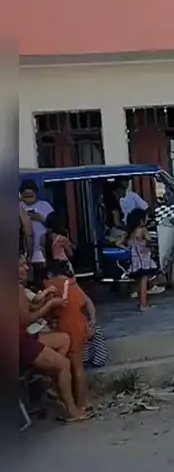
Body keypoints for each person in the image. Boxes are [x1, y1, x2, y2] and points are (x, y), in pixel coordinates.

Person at [18, 255, 91, 423]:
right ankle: (71, 411)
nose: (26, 268)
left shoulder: (20, 288)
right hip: (19, 341)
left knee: (63, 339)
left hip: (23, 336)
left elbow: (32, 307)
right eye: (21, 265)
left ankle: (55, 385)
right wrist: (51, 305)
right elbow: (27, 320)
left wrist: (45, 299)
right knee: (64, 364)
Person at [44, 263, 97, 414]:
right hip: (80, 325)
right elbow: (87, 302)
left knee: (75, 367)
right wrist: (92, 321)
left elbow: (48, 312)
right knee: (77, 366)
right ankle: (83, 400)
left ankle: (81, 402)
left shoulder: (52, 286)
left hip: (68, 327)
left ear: (49, 275)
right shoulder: (72, 283)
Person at [19, 180, 54, 289]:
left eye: (31, 196)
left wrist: (40, 218)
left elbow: (53, 224)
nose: (28, 199)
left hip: (42, 248)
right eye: (25, 196)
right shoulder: (19, 206)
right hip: (25, 251)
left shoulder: (45, 205)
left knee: (42, 277)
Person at [125, 208, 159, 310]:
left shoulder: (130, 233)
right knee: (144, 281)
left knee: (139, 283)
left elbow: (122, 242)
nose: (147, 218)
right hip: (144, 260)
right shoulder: (143, 230)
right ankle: (144, 305)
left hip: (135, 261)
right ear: (141, 220)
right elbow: (149, 241)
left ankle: (141, 303)